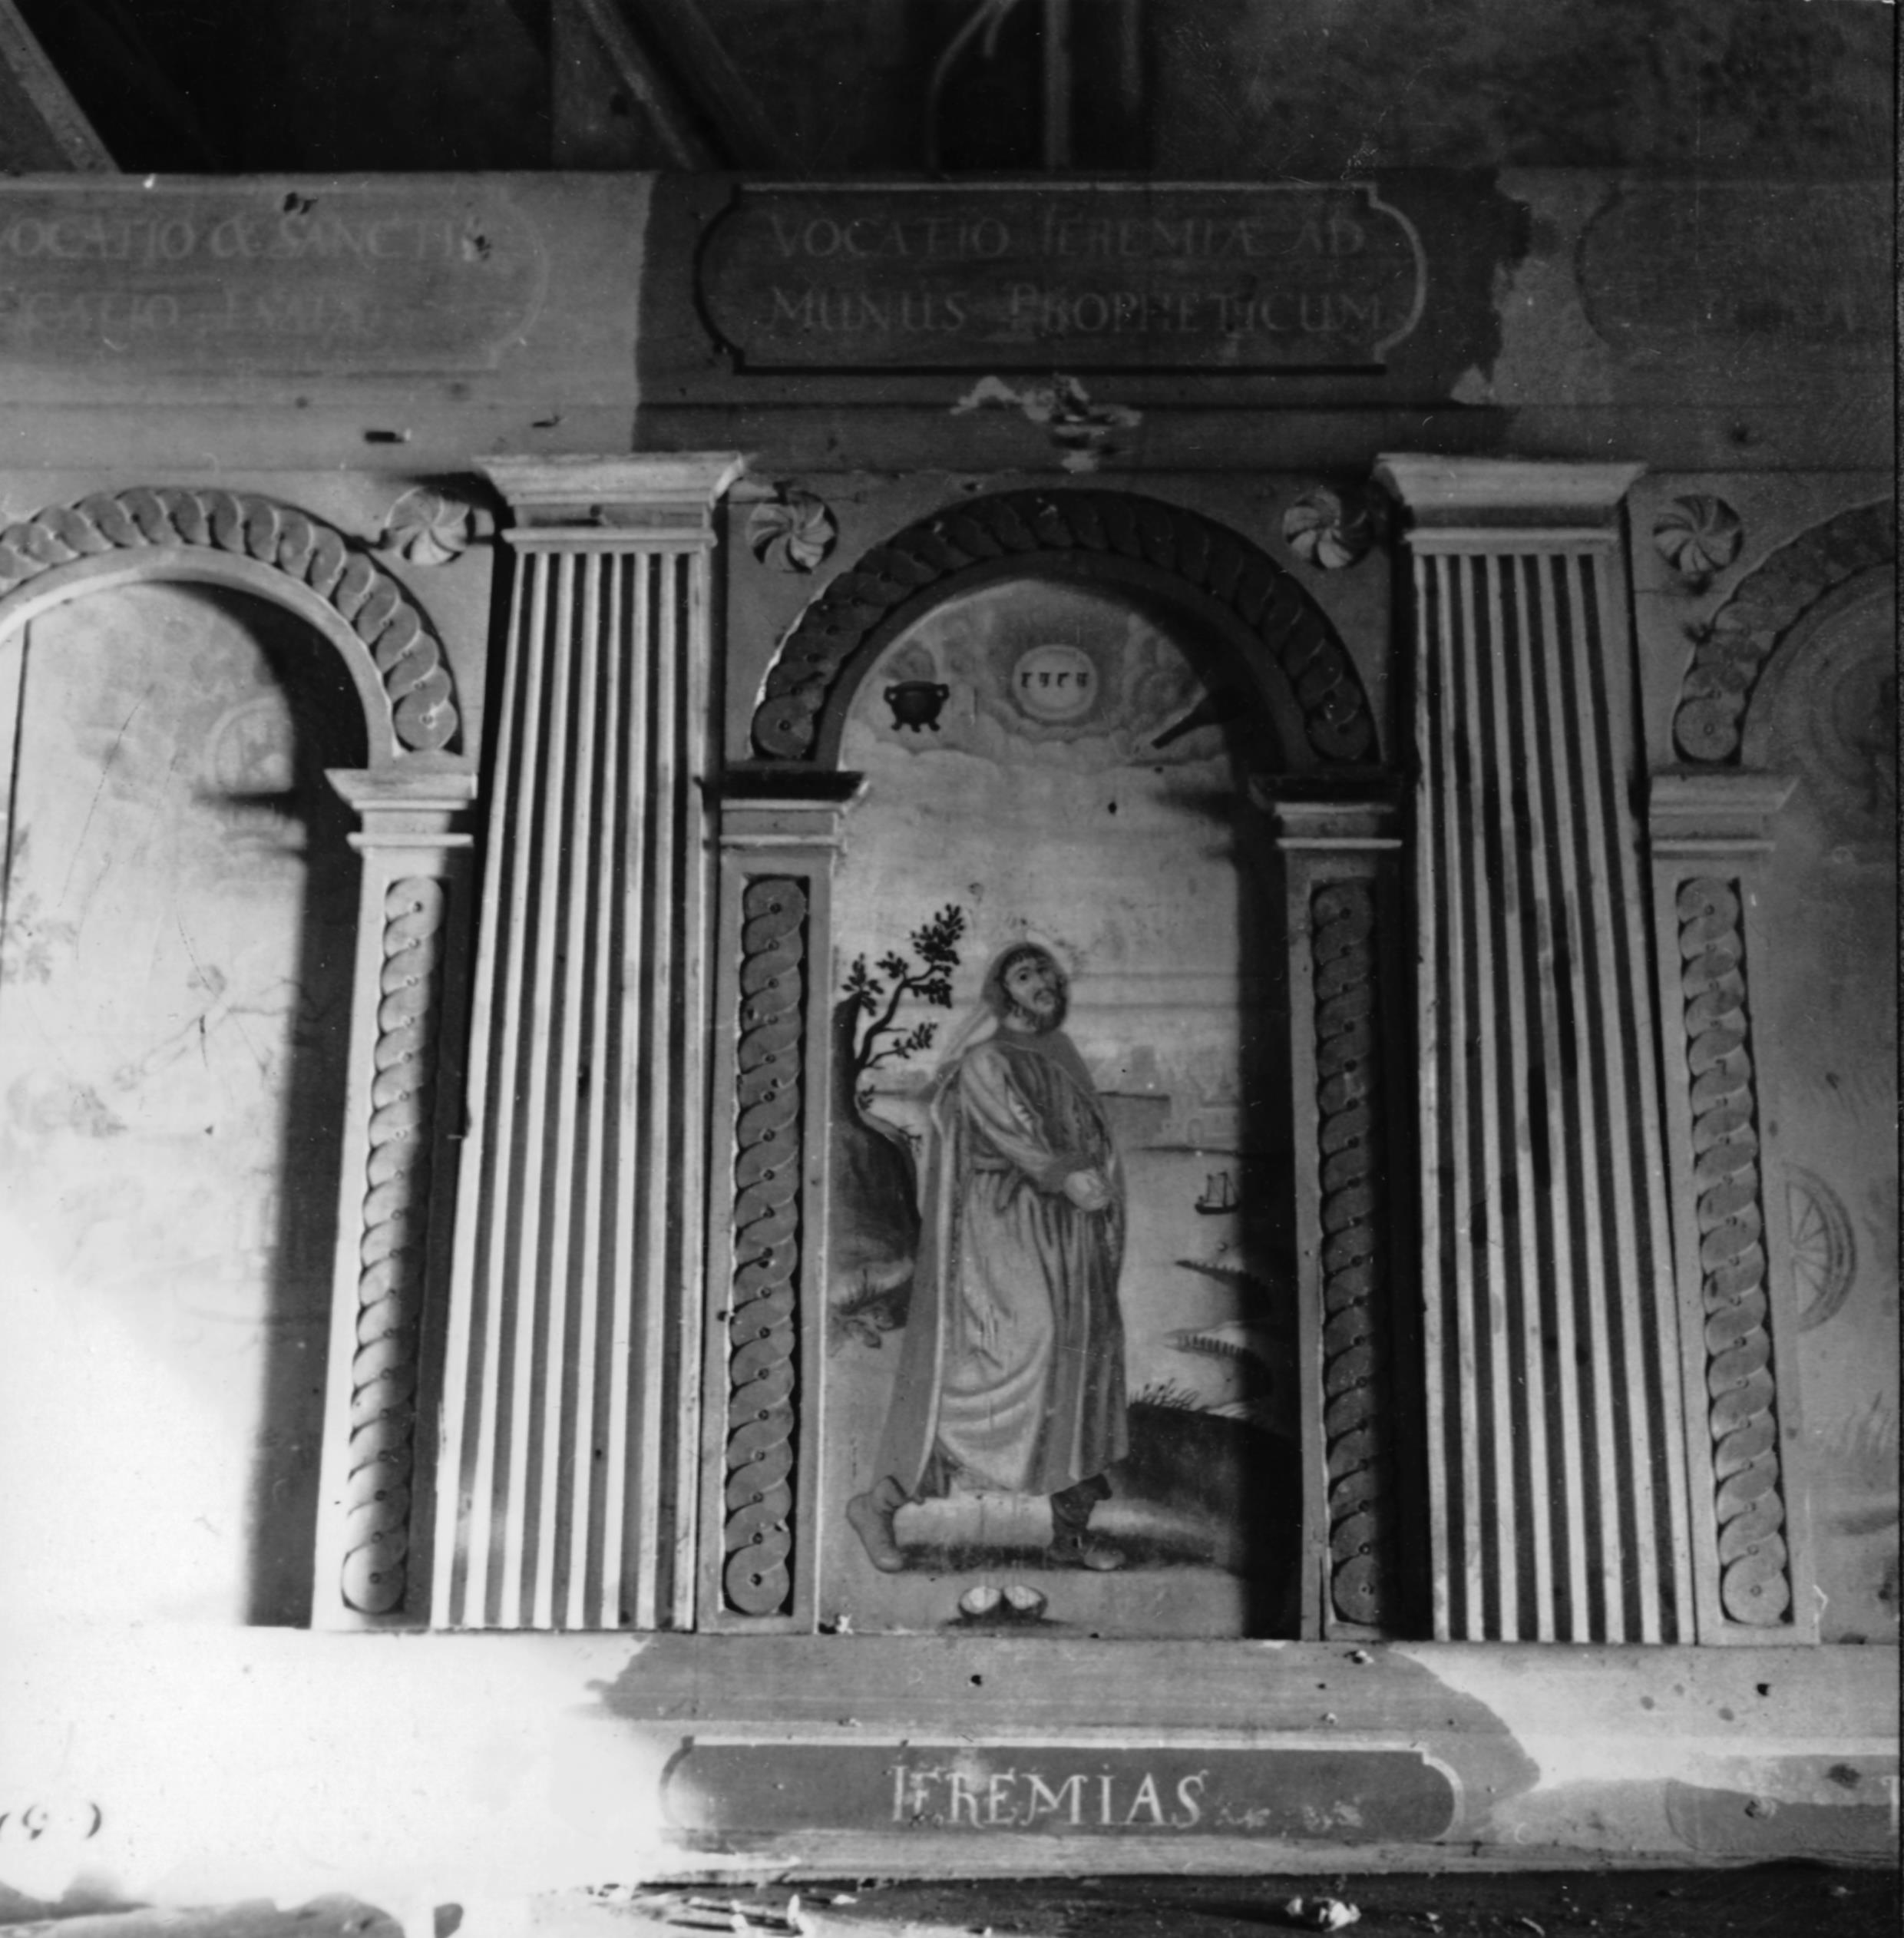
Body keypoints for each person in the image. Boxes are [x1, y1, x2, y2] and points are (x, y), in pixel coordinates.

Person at [846, 942, 1129, 1573]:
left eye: (1045, 970)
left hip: (1070, 1234)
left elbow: (1089, 1139)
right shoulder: (986, 1060)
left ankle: (1070, 1534)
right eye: (1023, 974)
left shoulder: (1061, 1053)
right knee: (1007, 1366)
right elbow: (1018, 1135)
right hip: (1004, 1230)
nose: (1040, 981)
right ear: (1003, 993)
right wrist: (1066, 1174)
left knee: (1081, 1367)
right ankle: (879, 1504)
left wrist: (1095, 1185)